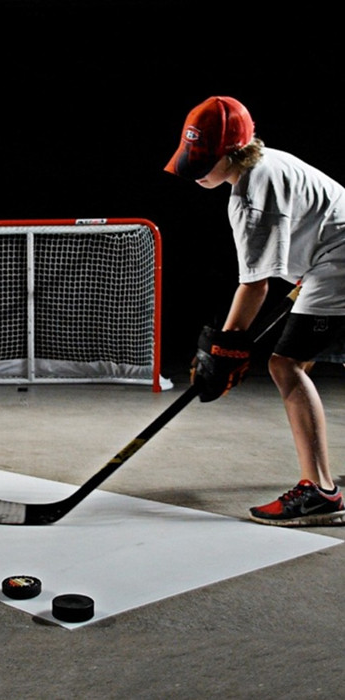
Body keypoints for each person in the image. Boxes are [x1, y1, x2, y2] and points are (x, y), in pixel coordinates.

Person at [164, 95, 345, 526]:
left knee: (286, 365)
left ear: (233, 152)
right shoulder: (266, 164)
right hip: (327, 260)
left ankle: (321, 493)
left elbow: (256, 285)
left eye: (203, 160)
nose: (194, 170)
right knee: (298, 361)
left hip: (336, 263)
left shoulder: (251, 197)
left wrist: (223, 349)